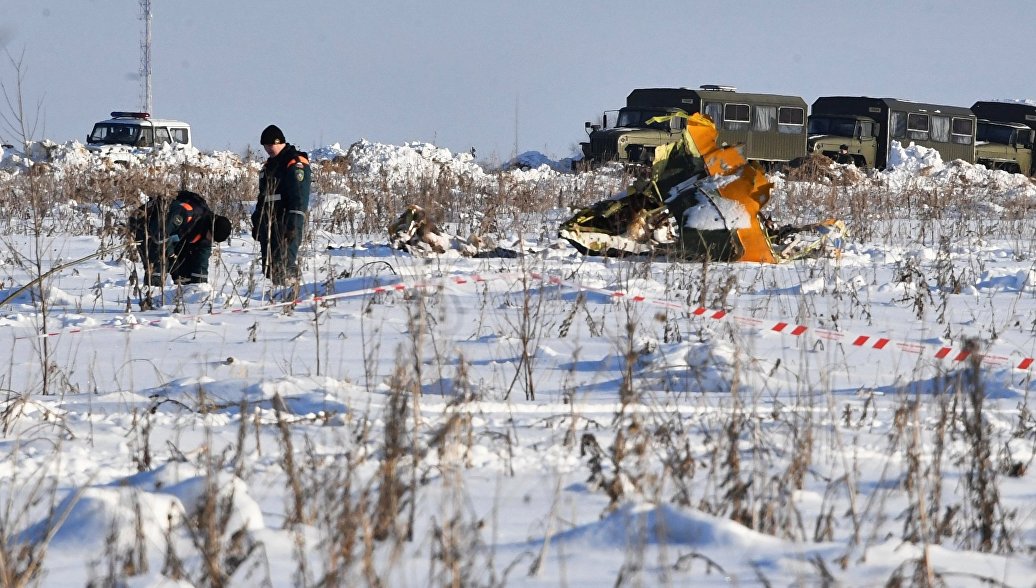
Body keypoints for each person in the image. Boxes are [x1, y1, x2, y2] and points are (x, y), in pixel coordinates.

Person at [129, 190, 232, 286]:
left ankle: (184, 300)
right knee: (159, 264)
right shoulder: (187, 212)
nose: (211, 240)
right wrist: (171, 254)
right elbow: (159, 235)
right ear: (210, 227)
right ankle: (154, 297)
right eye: (212, 237)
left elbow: (202, 259)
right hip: (147, 226)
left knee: (185, 274)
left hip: (170, 235)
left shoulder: (205, 231)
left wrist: (200, 286)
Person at [251, 124, 311, 285]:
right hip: (268, 224)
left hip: (286, 222)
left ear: (280, 142)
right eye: (265, 146)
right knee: (270, 268)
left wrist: (293, 224)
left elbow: (299, 197)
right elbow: (263, 197)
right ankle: (277, 298)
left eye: (271, 145)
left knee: (284, 266)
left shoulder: (295, 163)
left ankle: (291, 298)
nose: (268, 149)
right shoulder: (268, 167)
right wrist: (257, 221)